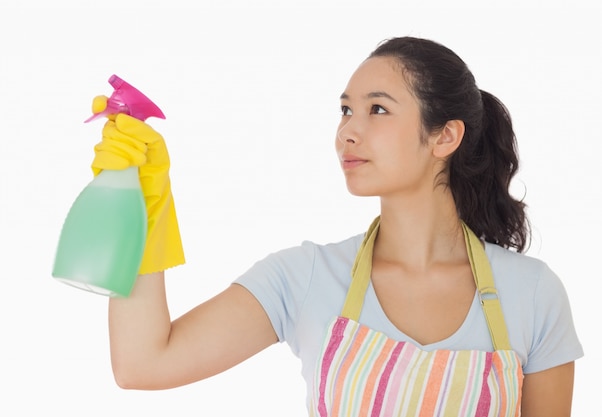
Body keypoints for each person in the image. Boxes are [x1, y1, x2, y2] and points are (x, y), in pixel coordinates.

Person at [91, 36, 583, 416]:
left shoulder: (533, 294)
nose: (348, 130)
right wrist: (141, 210)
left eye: (378, 109)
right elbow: (142, 363)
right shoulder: (305, 277)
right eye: (346, 109)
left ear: (445, 136)